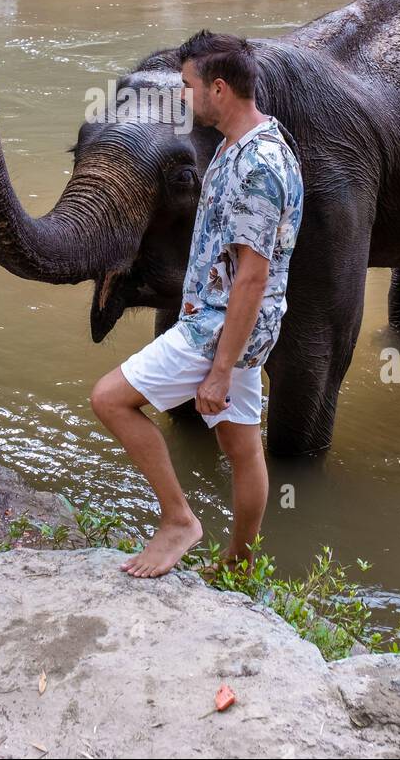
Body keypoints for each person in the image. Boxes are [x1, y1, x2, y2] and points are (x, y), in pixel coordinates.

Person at [91, 31, 304, 578]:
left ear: (220, 88)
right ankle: (239, 564)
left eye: (187, 86)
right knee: (243, 448)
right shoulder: (252, 142)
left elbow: (252, 279)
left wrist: (219, 371)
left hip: (217, 327)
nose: (183, 97)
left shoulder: (258, 168)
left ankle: (179, 520)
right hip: (236, 325)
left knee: (110, 400)